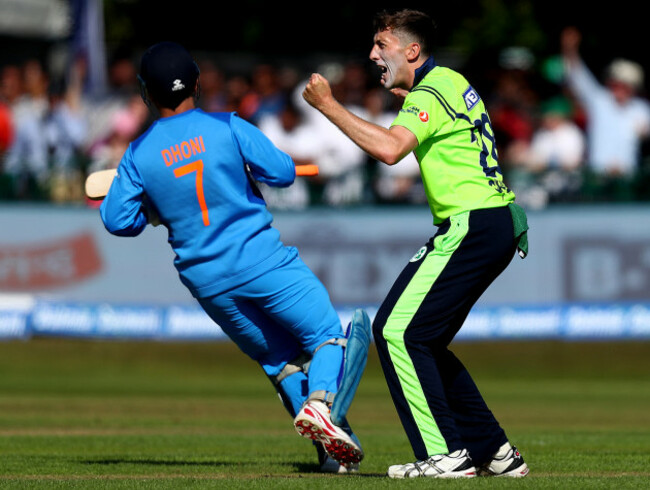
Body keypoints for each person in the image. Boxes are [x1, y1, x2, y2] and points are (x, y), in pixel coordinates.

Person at [98, 42, 365, 473]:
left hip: (208, 282)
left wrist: (153, 208)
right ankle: (320, 406)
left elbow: (116, 219)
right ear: (198, 84)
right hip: (261, 261)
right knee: (326, 336)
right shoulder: (227, 127)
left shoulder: (138, 154)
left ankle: (334, 457)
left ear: (146, 93)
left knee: (280, 362)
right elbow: (280, 172)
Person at [302, 9, 529, 479]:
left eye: (381, 45)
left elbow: (389, 150)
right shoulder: (446, 82)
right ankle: (493, 452)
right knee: (424, 339)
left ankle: (444, 455)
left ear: (412, 50)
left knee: (396, 331)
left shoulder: (432, 89)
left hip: (473, 223)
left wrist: (327, 105)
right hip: (492, 223)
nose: (371, 54)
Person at [560, 26, 650, 200]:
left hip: (627, 181)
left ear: (632, 87)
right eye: (615, 83)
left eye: (624, 85)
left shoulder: (641, 109)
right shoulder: (599, 101)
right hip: (597, 179)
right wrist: (569, 48)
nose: (618, 89)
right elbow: (577, 75)